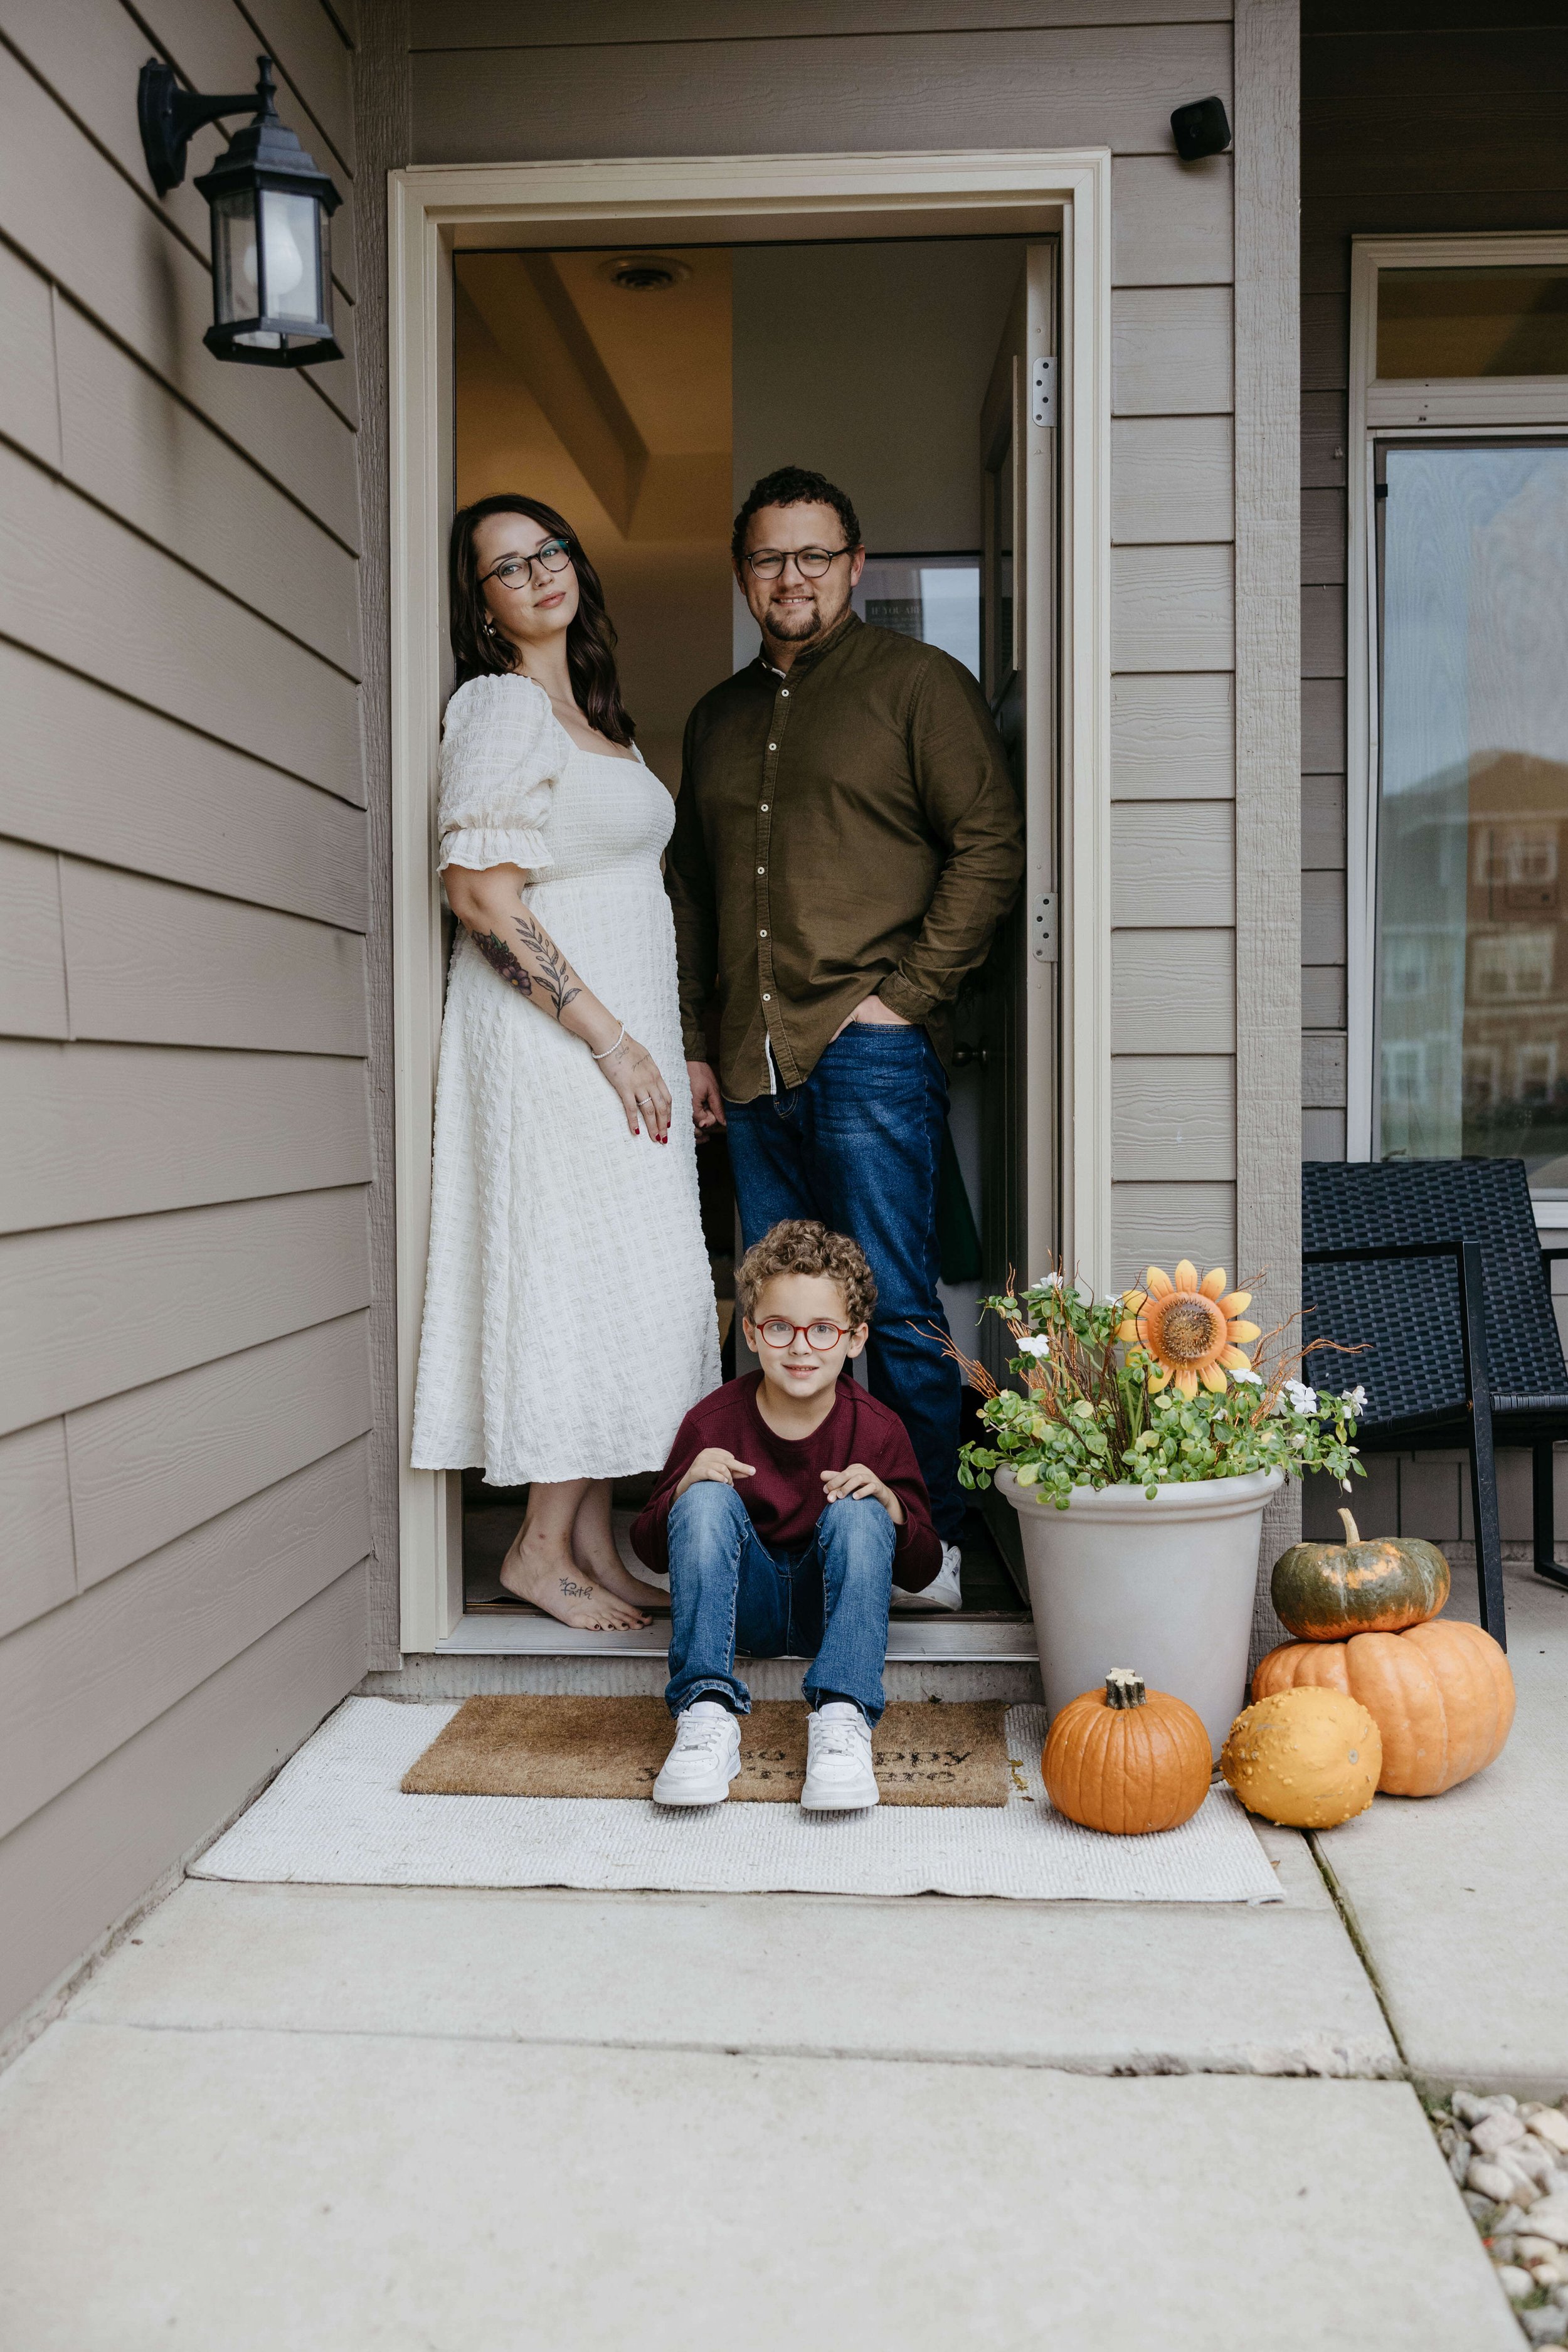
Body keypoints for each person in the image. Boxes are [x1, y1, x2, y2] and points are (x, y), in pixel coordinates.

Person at [666, 465, 1024, 1604]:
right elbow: (692, 896)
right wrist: (696, 1042)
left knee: (896, 1314)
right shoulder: (716, 719)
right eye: (771, 557)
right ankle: (791, 1540)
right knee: (776, 1320)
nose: (793, 577)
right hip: (750, 1061)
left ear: (855, 565)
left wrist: (906, 994)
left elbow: (989, 848)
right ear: (744, 571)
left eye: (815, 555)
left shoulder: (919, 684)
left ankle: (926, 1549)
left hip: (867, 1047)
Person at [411, 494, 719, 1632]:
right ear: (483, 609)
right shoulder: (498, 708)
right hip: (557, 1048)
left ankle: (589, 1542)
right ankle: (538, 1551)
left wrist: (673, 1043)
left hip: (625, 1040)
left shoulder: (596, 718)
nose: (538, 575)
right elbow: (482, 899)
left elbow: (640, 900)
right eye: (506, 568)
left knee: (631, 1279)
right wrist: (610, 1036)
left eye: (548, 552)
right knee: (591, 1280)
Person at [632, 1219, 941, 1811]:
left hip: (835, 1620)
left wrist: (892, 1506)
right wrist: (681, 1492)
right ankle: (705, 1714)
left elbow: (924, 1569)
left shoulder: (877, 1430)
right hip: (742, 1615)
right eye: (781, 1327)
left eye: (823, 1330)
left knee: (862, 1509)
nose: (801, 1347)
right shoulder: (712, 1421)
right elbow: (647, 1547)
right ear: (751, 1333)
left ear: (855, 1340)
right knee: (701, 1496)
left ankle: (842, 1717)